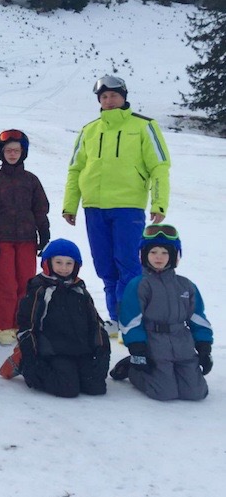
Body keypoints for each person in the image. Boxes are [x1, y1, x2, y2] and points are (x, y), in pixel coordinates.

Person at [62, 76, 171, 336]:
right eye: (104, 97)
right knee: (104, 265)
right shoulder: (89, 129)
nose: (109, 101)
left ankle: (130, 319)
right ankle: (114, 318)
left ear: (123, 96)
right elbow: (76, 169)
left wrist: (159, 202)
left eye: (113, 96)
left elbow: (159, 167)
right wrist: (70, 204)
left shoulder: (144, 126)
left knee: (128, 265)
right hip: (94, 207)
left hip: (128, 207)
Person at [110, 225, 213, 401]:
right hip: (153, 344)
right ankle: (132, 369)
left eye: (165, 253)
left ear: (174, 256)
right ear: (144, 255)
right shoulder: (139, 284)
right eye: (153, 252)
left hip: (182, 343)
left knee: (196, 393)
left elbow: (197, 316)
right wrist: (137, 349)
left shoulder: (185, 285)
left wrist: (204, 346)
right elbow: (131, 320)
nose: (159, 257)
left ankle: (179, 375)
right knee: (164, 392)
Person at [0, 239, 110, 398]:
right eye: (59, 262)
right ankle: (23, 365)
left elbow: (95, 322)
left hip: (80, 348)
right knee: (68, 388)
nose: (64, 268)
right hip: (52, 351)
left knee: (96, 386)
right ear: (48, 263)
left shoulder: (80, 290)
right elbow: (27, 326)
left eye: (69, 263)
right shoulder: (40, 290)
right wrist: (30, 356)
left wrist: (102, 349)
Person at [0, 129, 50, 346]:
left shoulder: (31, 181)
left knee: (26, 284)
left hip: (27, 240)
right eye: (8, 150)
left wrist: (44, 234)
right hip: (3, 240)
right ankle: (3, 325)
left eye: (16, 150)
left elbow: (40, 210)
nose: (12, 154)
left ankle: (23, 324)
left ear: (23, 152)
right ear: (1, 153)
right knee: (5, 284)